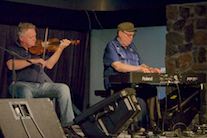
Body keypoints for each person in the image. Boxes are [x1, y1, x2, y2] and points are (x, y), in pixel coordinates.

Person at [4, 22, 81, 137]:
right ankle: (30, 126)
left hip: (40, 85)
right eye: (31, 37)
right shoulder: (13, 48)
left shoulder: (38, 49)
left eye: (35, 36)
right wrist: (33, 61)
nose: (35, 40)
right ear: (21, 38)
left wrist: (60, 48)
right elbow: (11, 65)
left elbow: (49, 65)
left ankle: (67, 125)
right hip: (20, 85)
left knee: (63, 88)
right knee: (26, 91)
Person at [103, 22, 162, 134]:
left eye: (132, 35)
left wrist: (151, 69)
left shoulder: (132, 47)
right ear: (120, 33)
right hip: (116, 83)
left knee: (151, 90)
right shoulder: (112, 46)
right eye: (128, 35)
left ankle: (153, 124)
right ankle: (131, 126)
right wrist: (137, 68)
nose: (131, 38)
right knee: (129, 91)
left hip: (132, 83)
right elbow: (118, 66)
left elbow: (141, 64)